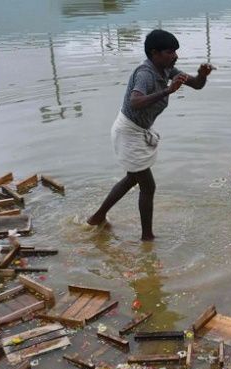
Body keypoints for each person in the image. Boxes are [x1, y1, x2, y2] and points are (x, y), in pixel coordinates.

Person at [87, 29, 214, 241]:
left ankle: (97, 217)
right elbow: (135, 102)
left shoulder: (167, 70)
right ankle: (147, 237)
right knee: (148, 186)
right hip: (129, 132)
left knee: (131, 179)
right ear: (154, 53)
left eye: (175, 51)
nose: (175, 56)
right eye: (169, 52)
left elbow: (197, 85)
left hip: (137, 130)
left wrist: (202, 75)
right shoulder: (145, 73)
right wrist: (167, 91)